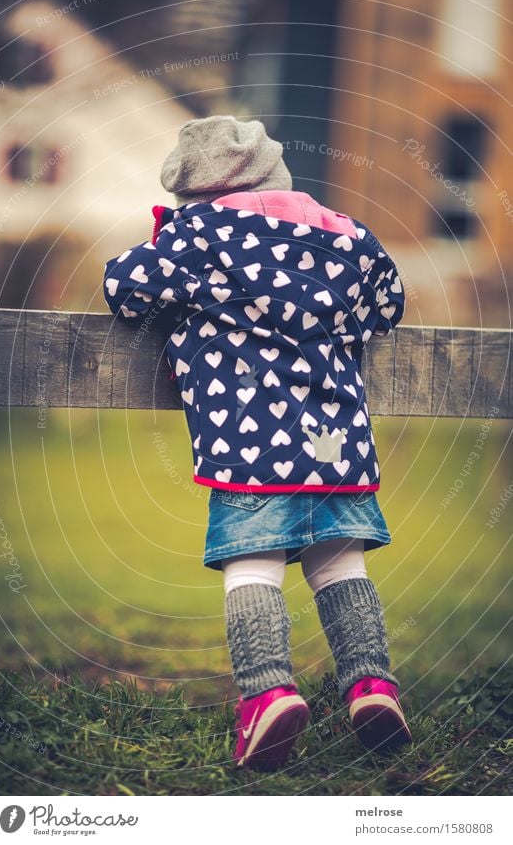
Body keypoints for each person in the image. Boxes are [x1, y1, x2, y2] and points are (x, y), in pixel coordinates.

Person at [102, 114, 412, 770]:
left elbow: (124, 289)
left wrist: (179, 259)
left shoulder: (200, 234)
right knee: (339, 563)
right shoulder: (343, 233)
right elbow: (387, 302)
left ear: (195, 191)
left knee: (253, 563)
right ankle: (370, 684)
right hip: (335, 439)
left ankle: (266, 691)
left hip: (249, 443)